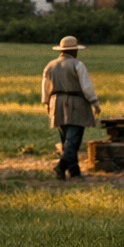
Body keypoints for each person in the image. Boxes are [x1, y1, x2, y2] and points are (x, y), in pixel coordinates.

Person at [41, 35, 101, 180]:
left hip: (56, 103)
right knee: (73, 141)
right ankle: (61, 166)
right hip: (76, 103)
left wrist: (47, 104)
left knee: (66, 140)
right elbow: (86, 87)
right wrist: (94, 103)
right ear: (73, 51)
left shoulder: (50, 66)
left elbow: (45, 88)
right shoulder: (77, 65)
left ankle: (74, 172)